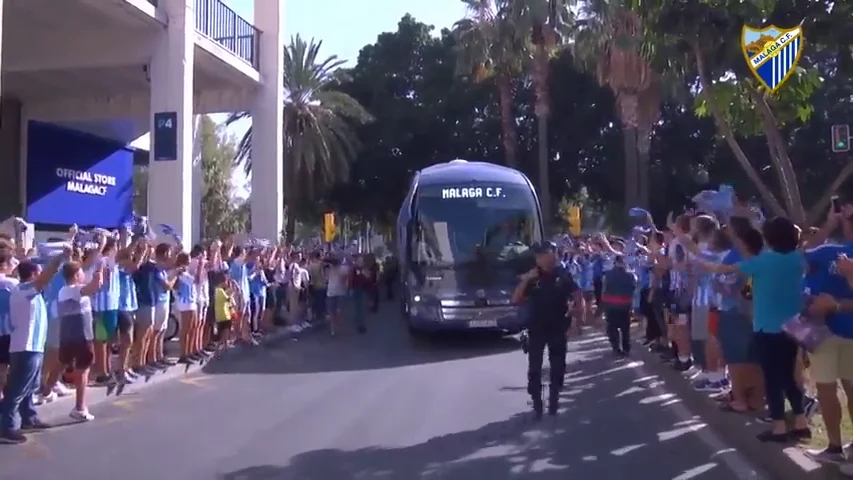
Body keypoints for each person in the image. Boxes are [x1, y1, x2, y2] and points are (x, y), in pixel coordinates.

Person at [512, 241, 583, 419]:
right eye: (537, 256)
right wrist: (527, 279)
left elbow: (577, 295)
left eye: (542, 255)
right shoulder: (532, 276)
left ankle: (554, 399)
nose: (538, 258)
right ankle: (537, 402)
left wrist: (577, 320)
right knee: (535, 369)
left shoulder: (562, 275)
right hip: (536, 328)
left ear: (551, 255)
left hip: (558, 326)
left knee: (558, 367)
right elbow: (516, 299)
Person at [0, 256, 62, 443]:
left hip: (33, 346)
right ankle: (7, 427)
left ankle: (29, 417)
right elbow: (45, 280)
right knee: (17, 388)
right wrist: (58, 261)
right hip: (25, 347)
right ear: (33, 274)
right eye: (39, 272)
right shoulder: (24, 289)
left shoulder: (31, 291)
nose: (42, 275)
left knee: (30, 387)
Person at [57, 260, 105, 421]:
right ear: (77, 275)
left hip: (70, 335)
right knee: (83, 369)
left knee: (62, 363)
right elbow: (93, 287)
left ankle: (46, 390)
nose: (85, 274)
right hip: (81, 335)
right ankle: (80, 407)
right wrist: (99, 272)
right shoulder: (72, 290)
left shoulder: (65, 291)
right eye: (82, 272)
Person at [600, 255, 636, 357]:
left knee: (612, 327)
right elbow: (633, 289)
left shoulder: (608, 275)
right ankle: (626, 348)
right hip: (625, 304)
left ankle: (616, 347)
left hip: (611, 304)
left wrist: (603, 304)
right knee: (625, 328)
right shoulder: (630, 275)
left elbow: (604, 289)